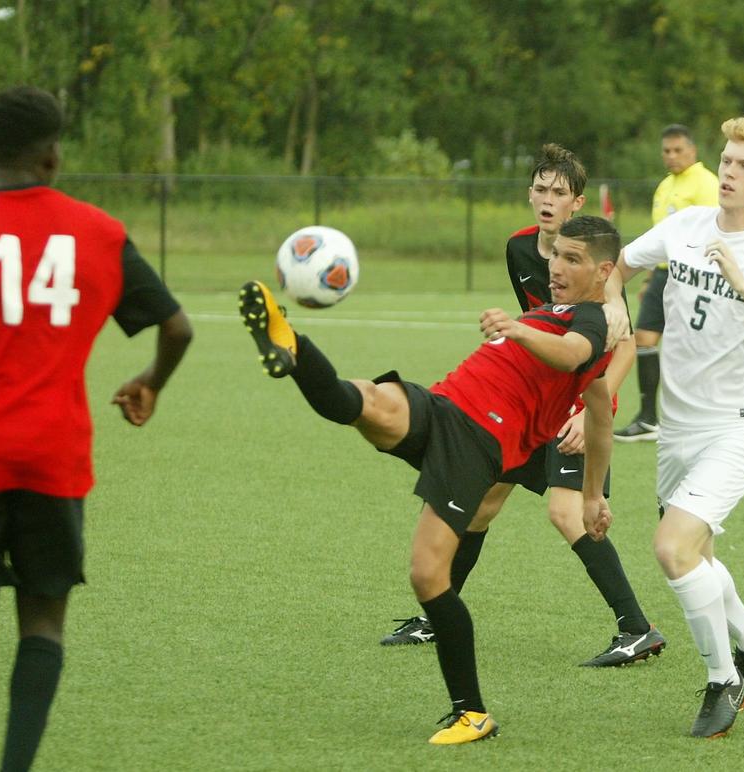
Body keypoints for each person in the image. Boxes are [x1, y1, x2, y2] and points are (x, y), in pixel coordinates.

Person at [239, 215, 621, 745]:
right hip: (445, 405)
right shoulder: (552, 312)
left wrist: (519, 330)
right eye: (556, 253)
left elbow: (577, 356)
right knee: (366, 401)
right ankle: (292, 346)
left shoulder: (592, 321)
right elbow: (599, 414)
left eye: (572, 259)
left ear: (603, 272)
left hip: (479, 440)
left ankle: (472, 714)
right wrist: (593, 492)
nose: (556, 266)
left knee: (427, 575)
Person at [0, 86, 192, 771]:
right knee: (43, 621)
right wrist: (150, 381)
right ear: (54, 156)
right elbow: (177, 327)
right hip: (53, 456)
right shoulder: (97, 233)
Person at [380, 144, 665, 667]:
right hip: (533, 402)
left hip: (580, 401)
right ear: (529, 193)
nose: (548, 199)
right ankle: (437, 616)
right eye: (540, 189)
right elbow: (541, 324)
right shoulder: (518, 249)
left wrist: (589, 409)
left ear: (577, 202)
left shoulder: (596, 266)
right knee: (483, 502)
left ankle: (637, 629)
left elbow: (620, 345)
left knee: (565, 511)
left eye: (559, 192)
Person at [605, 114, 744, 738]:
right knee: (697, 554)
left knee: (672, 549)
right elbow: (617, 267)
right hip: (677, 427)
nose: (729, 172)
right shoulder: (685, 225)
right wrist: (614, 306)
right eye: (727, 160)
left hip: (739, 424)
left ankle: (722, 677)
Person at [614, 124, 719, 442]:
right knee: (644, 338)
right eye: (666, 151)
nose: (671, 156)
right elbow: (659, 241)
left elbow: (713, 233)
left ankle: (701, 418)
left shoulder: (707, 183)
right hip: (662, 273)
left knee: (692, 345)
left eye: (678, 150)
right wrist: (649, 277)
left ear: (692, 151)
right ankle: (648, 419)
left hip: (693, 275)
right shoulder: (664, 186)